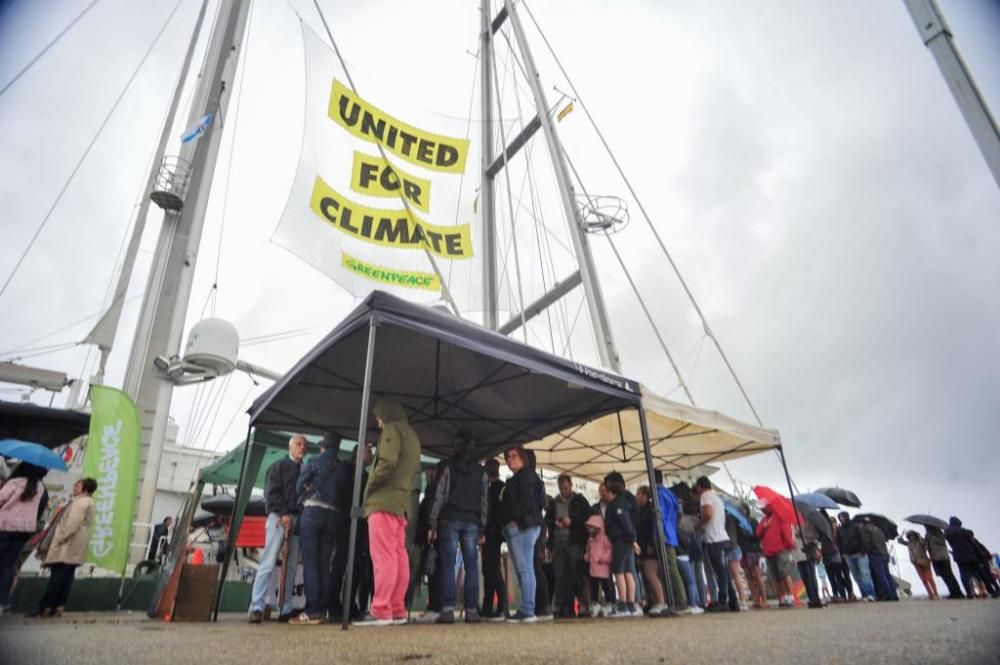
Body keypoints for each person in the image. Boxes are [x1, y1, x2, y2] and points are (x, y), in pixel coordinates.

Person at [355, 398, 422, 627]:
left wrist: (369, 486)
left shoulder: (392, 430)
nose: (378, 422)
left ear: (387, 414)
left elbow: (387, 462)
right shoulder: (412, 435)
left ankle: (382, 609)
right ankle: (397, 608)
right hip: (401, 503)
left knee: (383, 556)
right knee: (398, 555)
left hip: (383, 501)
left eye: (379, 417)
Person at [428, 437, 488, 624]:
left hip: (449, 519)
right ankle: (471, 610)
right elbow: (485, 500)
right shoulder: (481, 471)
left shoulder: (447, 466)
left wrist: (432, 523)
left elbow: (438, 495)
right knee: (471, 565)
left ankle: (447, 610)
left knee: (448, 564)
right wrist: (483, 525)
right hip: (472, 521)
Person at [248, 434, 305, 623]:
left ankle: (285, 607)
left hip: (296, 520)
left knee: (290, 567)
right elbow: (270, 493)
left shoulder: (304, 470)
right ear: (290, 447)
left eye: (304, 445)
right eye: (298, 444)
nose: (302, 447)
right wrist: (284, 513)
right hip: (278, 518)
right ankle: (256, 606)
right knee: (268, 561)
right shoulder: (278, 467)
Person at [291, 432, 341, 625]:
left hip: (312, 512)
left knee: (311, 562)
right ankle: (325, 608)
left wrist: (306, 488)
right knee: (324, 563)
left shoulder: (314, 460)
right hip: (332, 515)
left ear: (323, 447)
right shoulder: (341, 466)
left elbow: (298, 486)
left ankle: (313, 611)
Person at [33, 477, 96, 618]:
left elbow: (72, 524)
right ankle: (58, 606)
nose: (74, 488)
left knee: (57, 577)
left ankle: (44, 607)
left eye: (77, 486)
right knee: (66, 578)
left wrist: (61, 538)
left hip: (68, 543)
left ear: (85, 489)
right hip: (76, 543)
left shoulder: (80, 503)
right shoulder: (88, 502)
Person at [499, 444, 544, 623]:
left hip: (523, 526)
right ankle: (527, 607)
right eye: (508, 457)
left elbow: (526, 502)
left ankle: (527, 609)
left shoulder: (524, 477)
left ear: (523, 458)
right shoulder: (523, 477)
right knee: (524, 568)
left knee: (524, 568)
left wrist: (512, 518)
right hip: (524, 525)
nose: (510, 460)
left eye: (514, 456)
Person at [330, 442, 373, 620]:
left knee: (355, 566)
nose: (371, 455)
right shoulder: (345, 469)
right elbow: (339, 493)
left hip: (360, 526)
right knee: (340, 564)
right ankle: (333, 604)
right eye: (369, 452)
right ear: (360, 453)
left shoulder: (365, 474)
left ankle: (349, 604)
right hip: (346, 523)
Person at [0, 462, 48, 612]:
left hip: (4, 526)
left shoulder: (15, 482)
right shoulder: (40, 488)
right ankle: (2, 602)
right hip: (24, 531)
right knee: (8, 566)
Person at [547, 474, 591, 618]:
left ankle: (583, 605)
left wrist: (571, 522)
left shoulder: (580, 501)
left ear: (571, 485)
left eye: (566, 488)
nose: (564, 491)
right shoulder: (554, 503)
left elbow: (587, 519)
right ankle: (563, 606)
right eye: (561, 488)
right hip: (558, 542)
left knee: (576, 574)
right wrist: (554, 523)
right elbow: (547, 520)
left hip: (574, 542)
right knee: (560, 575)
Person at [692, 476, 733, 613]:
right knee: (724, 571)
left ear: (699, 487)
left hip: (714, 540)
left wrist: (699, 524)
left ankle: (722, 601)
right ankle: (732, 600)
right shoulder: (717, 498)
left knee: (720, 571)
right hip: (723, 537)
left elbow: (708, 514)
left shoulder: (705, 496)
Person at [604, 478, 640, 618]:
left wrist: (633, 540)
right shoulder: (626, 504)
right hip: (627, 541)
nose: (605, 494)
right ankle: (630, 605)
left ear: (613, 492)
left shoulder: (616, 505)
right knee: (628, 572)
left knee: (619, 572)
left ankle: (623, 605)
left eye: (607, 491)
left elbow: (625, 523)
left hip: (621, 541)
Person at [653, 470, 687, 615]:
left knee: (670, 569)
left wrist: (661, 532)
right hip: (671, 534)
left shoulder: (658, 495)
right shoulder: (670, 494)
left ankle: (679, 602)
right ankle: (677, 601)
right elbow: (678, 514)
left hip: (663, 535)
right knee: (669, 568)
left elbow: (658, 514)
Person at [945, 517, 1000, 599]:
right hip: (971, 556)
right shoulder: (962, 531)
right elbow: (971, 533)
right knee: (982, 574)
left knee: (964, 576)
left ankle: (969, 593)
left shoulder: (947, 533)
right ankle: (993, 591)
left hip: (959, 557)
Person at [480, 459, 507, 621]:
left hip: (491, 531)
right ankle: (489, 606)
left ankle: (498, 606)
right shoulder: (502, 487)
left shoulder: (491, 489)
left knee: (491, 569)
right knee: (490, 568)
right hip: (496, 532)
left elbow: (488, 511)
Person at [634, 486, 667, 615]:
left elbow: (652, 528)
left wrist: (651, 545)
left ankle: (661, 601)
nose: (636, 496)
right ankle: (654, 600)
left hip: (650, 546)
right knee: (647, 576)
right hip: (642, 546)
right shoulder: (640, 510)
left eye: (638, 493)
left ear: (644, 495)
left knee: (651, 574)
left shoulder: (650, 510)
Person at [756, 502, 795, 607]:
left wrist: (789, 545)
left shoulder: (780, 516)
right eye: (761, 509)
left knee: (784, 573)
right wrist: (764, 527)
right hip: (768, 551)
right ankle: (782, 597)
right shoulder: (764, 520)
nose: (762, 510)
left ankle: (790, 596)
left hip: (781, 550)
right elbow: (758, 534)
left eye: (764, 508)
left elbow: (786, 533)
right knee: (775, 577)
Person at [837, 511, 875, 601]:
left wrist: (863, 550)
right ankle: (864, 594)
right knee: (857, 576)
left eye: (843, 517)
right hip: (848, 556)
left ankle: (871, 594)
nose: (841, 519)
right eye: (840, 517)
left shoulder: (856, 527)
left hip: (860, 554)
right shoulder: (840, 530)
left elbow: (862, 539)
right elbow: (839, 542)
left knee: (865, 574)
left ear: (847, 517)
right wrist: (842, 553)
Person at [675, 500, 704, 614]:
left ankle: (692, 600)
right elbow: (702, 534)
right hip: (692, 552)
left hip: (684, 554)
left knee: (688, 578)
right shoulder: (697, 521)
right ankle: (696, 602)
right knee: (695, 578)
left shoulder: (681, 522)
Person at [737, 504, 767, 609]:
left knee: (757, 575)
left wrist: (747, 534)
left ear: (745, 511)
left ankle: (764, 600)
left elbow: (758, 535)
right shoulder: (738, 522)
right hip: (743, 551)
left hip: (753, 550)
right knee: (749, 577)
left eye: (741, 510)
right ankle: (755, 600)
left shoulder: (752, 521)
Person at [584, 513, 614, 616]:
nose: (590, 529)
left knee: (606, 587)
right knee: (594, 588)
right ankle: (595, 605)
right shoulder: (590, 540)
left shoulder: (604, 538)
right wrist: (587, 557)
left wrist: (603, 559)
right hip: (593, 569)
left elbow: (609, 550)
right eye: (589, 527)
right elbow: (588, 550)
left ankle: (609, 604)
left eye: (593, 527)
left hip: (603, 569)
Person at [862, 517, 898, 601]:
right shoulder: (879, 530)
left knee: (880, 576)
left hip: (875, 555)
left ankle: (887, 594)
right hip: (884, 554)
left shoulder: (866, 530)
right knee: (887, 575)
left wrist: (866, 550)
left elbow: (867, 543)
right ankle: (894, 595)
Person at [925, 525, 964, 599]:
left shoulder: (939, 533)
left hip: (943, 557)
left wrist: (932, 537)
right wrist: (927, 540)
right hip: (935, 558)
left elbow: (942, 541)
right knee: (944, 576)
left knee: (949, 575)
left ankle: (958, 592)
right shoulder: (928, 535)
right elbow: (927, 547)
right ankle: (952, 592)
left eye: (927, 526)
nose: (926, 528)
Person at [823, 514, 853, 603]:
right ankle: (836, 595)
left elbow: (840, 543)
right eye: (831, 522)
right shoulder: (824, 531)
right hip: (826, 554)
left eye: (833, 522)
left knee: (839, 576)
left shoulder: (839, 531)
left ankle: (850, 592)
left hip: (836, 554)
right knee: (831, 577)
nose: (832, 524)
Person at [898, 530, 937, 599]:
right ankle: (930, 594)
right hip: (915, 562)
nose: (911, 537)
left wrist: (920, 536)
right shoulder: (909, 543)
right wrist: (901, 535)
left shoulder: (920, 542)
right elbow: (900, 541)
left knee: (929, 578)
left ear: (915, 536)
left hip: (924, 561)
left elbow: (924, 543)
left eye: (912, 535)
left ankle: (935, 594)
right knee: (924, 580)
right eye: (909, 536)